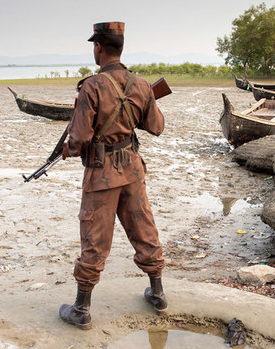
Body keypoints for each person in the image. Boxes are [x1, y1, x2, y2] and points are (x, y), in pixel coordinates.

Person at [59, 22, 167, 329]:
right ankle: (158, 294)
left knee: (94, 239)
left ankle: (81, 310)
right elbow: (157, 126)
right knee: (144, 229)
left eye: (94, 46)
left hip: (102, 175)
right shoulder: (142, 85)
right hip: (132, 171)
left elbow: (79, 138)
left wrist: (68, 149)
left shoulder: (91, 87)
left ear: (99, 48)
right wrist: (141, 103)